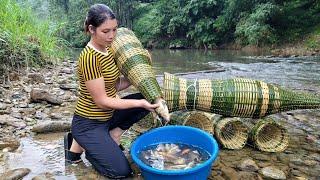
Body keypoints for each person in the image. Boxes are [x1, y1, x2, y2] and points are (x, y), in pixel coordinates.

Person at [64, 3, 159, 179]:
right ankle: (86, 148)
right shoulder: (89, 58)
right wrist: (139, 103)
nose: (112, 35)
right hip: (88, 124)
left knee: (150, 97)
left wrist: (142, 67)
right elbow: (102, 100)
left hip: (108, 117)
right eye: (106, 31)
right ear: (92, 29)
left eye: (114, 30)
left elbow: (113, 87)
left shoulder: (109, 50)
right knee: (122, 172)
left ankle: (112, 134)